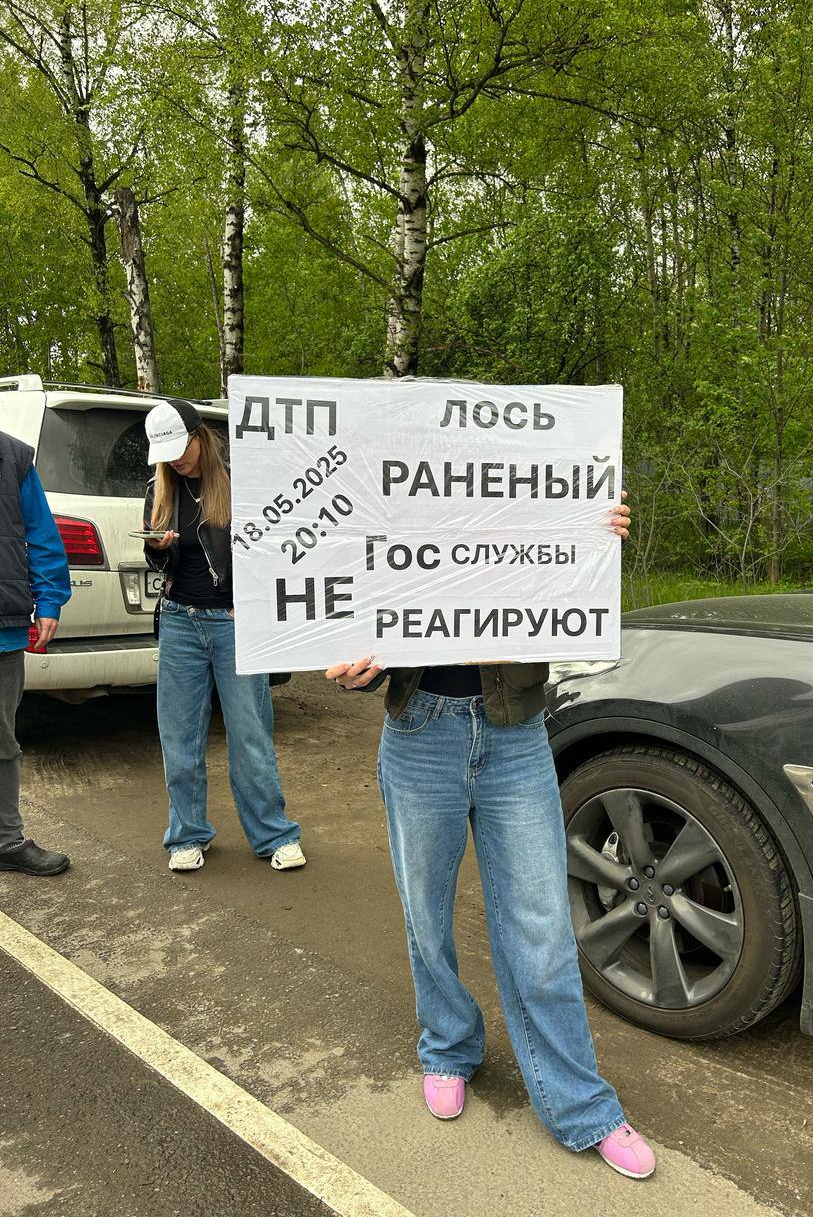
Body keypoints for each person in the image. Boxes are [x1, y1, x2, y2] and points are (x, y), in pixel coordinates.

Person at [326, 494, 656, 1181]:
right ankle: (448, 1045)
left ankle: (581, 1105)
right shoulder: (393, 490)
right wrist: (351, 662)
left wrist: (592, 535)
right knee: (426, 913)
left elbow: (563, 591)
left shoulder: (527, 482)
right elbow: (359, 598)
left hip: (516, 737)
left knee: (541, 925)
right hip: (420, 733)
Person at [142, 399, 305, 873]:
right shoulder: (158, 488)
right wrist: (158, 549)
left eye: (181, 448)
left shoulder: (239, 484)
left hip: (234, 622)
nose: (175, 460)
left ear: (200, 437)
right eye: (166, 453)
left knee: (251, 733)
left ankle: (273, 833)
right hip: (179, 620)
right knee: (179, 736)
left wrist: (249, 601)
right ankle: (186, 835)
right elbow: (160, 562)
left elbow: (269, 553)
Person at [0, 430, 71, 877]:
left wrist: (49, 601)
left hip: (3, 629)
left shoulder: (13, 457)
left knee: (1, 742)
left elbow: (42, 535)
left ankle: (5, 841)